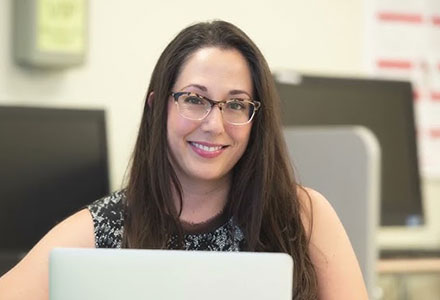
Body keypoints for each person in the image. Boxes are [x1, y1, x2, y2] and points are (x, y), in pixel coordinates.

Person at [0, 20, 368, 300]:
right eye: (194, 99)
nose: (214, 124)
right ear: (156, 105)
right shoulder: (103, 228)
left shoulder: (303, 216)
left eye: (237, 104)